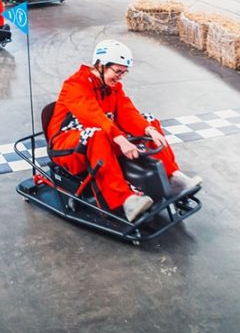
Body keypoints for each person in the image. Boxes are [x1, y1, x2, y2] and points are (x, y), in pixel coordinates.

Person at [48, 40, 202, 222]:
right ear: (101, 65)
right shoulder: (75, 84)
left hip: (102, 136)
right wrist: (121, 140)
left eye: (124, 72)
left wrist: (148, 129)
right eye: (117, 71)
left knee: (148, 119)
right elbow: (93, 116)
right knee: (96, 134)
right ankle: (125, 200)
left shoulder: (112, 87)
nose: (120, 77)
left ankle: (172, 178)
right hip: (67, 146)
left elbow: (127, 112)